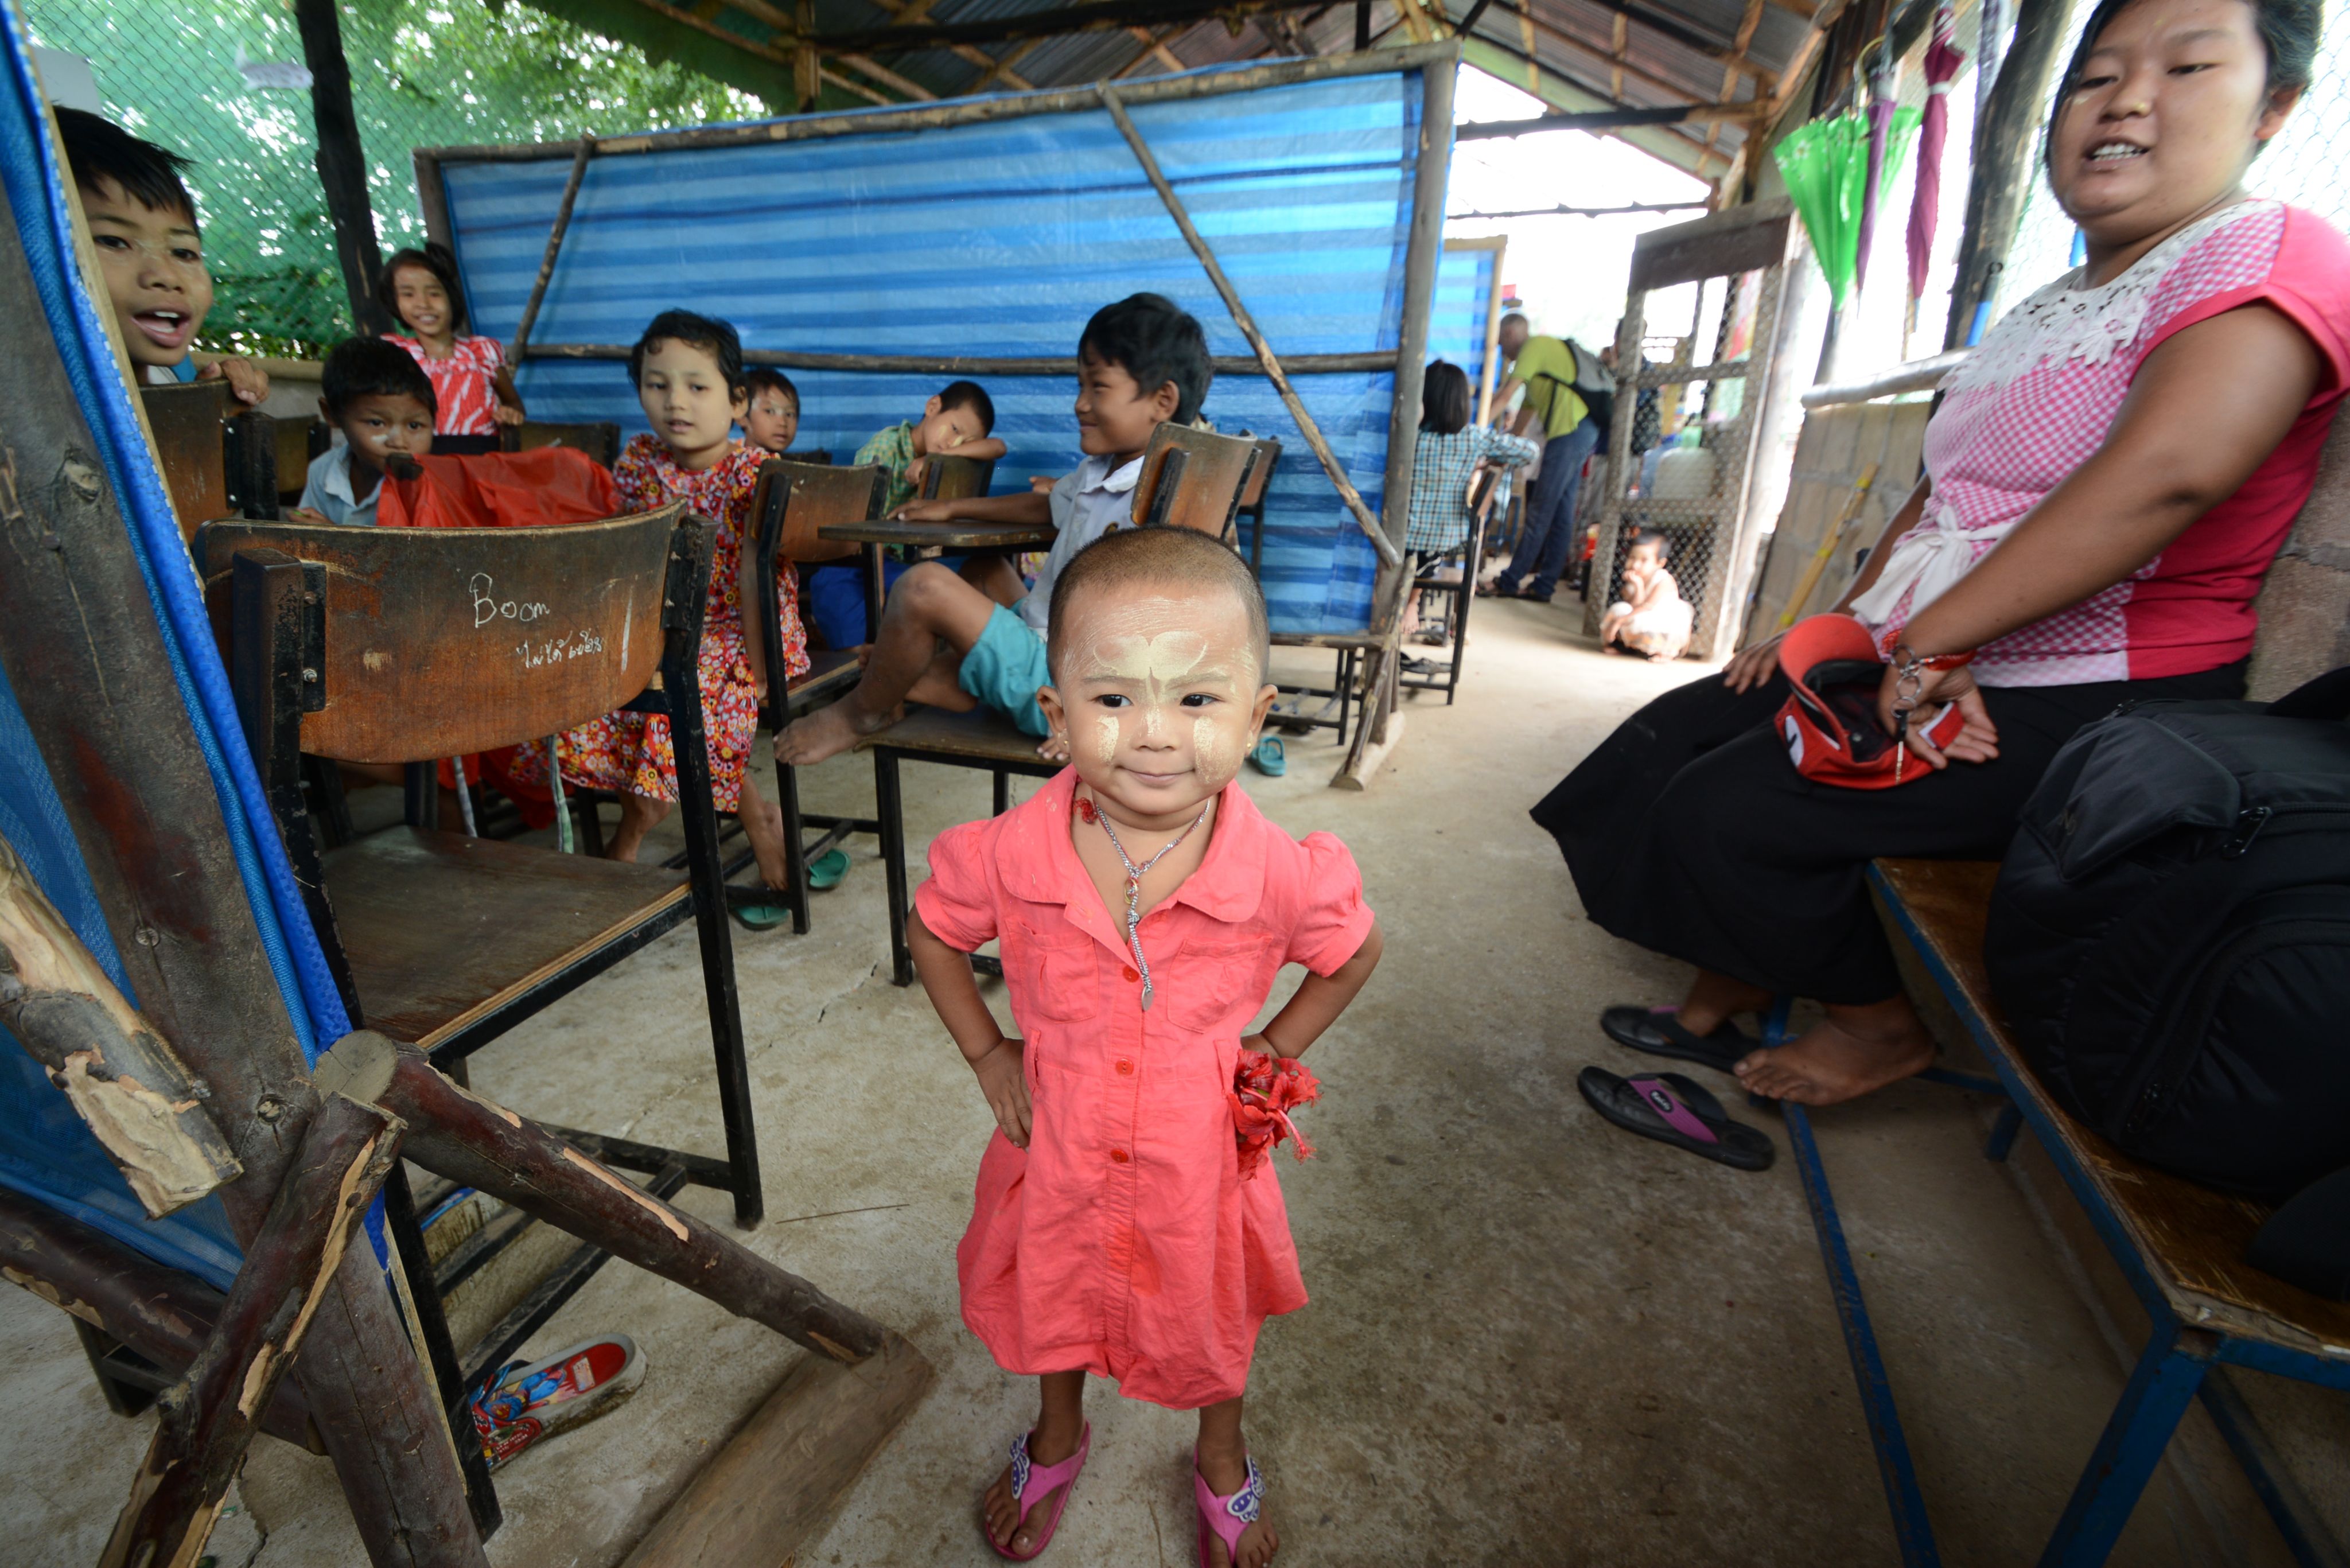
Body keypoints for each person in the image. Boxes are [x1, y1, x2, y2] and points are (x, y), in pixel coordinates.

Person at [1536, 0, 2347, 1108]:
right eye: (2094, 76)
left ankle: (1876, 1026)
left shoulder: (2270, 250)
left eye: (2187, 67)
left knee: (1730, 808)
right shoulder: (2047, 303)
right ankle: (1732, 977)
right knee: (1666, 742)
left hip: (2091, 694)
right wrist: (1835, 630)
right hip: (1939, 648)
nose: (2125, 100)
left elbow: (2170, 472)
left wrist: (1930, 644)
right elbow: (1936, 496)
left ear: (2275, 107)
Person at [907, 526, 1383, 1566]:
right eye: (1115, 697)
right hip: (1060, 1146)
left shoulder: (1280, 872)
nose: (1156, 734)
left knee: (1214, 1310)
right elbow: (934, 932)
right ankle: (1058, 1430)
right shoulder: (1008, 853)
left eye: (1198, 697)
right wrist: (990, 1053)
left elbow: (1352, 951)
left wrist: (1272, 1045)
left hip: (1201, 1162)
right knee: (1057, 1285)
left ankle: (1220, 1448)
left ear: (1257, 714)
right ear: (1055, 714)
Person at [776, 293, 1213, 767]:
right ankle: (932, 675)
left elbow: (1158, 633)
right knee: (984, 569)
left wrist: (1100, 721)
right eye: (1080, 385)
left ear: (1162, 401)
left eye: (1099, 388)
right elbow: (1046, 505)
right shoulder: (1105, 467)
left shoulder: (1157, 499)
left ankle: (860, 711)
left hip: (1068, 690)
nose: (1080, 403)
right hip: (1051, 641)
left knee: (923, 587)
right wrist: (949, 510)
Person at [519, 311, 810, 911]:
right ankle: (654, 804)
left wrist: (760, 670)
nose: (675, 401)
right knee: (588, 671)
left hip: (744, 630)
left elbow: (756, 582)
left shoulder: (753, 473)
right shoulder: (640, 461)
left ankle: (682, 820)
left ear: (737, 403)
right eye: (658, 385)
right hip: (664, 623)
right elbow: (625, 556)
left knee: (684, 684)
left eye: (696, 386)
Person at [55, 108, 266, 403]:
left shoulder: (175, 375)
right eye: (113, 242)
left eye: (183, 252)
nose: (167, 277)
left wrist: (206, 406)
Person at [800, 379, 1014, 648]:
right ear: (933, 407)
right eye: (954, 429)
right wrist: (877, 600)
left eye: (964, 442)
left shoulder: (942, 460)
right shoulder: (885, 449)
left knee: (933, 607)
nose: (952, 443)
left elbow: (998, 447)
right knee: (857, 644)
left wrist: (938, 458)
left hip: (894, 566)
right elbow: (868, 531)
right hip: (850, 564)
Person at [1401, 360, 1538, 644]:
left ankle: (1404, 600)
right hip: (1443, 538)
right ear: (1462, 402)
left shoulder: (1408, 436)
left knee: (1406, 548)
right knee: (1431, 549)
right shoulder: (1472, 438)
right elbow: (1530, 452)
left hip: (1398, 538)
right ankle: (1413, 602)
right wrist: (1486, 460)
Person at [1481, 315, 1605, 603]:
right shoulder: (1539, 371)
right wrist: (1498, 452)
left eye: (1500, 342)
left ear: (1510, 334)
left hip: (1571, 430)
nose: (1501, 351)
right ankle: (1544, 586)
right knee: (1561, 513)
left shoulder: (1533, 348)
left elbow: (1504, 397)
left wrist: (1471, 432)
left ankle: (1510, 580)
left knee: (1540, 509)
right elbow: (1521, 421)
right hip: (1579, 431)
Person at [377, 244, 526, 437]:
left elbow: (514, 404)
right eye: (408, 294)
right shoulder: (395, 356)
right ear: (395, 302)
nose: (423, 304)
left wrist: (510, 415)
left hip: (483, 453)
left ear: (451, 297)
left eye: (434, 294)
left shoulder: (483, 352)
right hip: (421, 455)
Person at [289, 338, 436, 528]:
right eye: (377, 423)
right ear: (331, 414)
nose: (399, 442)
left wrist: (334, 536)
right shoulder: (323, 470)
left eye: (414, 426)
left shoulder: (428, 488)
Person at [1597, 530, 1693, 660]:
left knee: (1632, 619)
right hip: (1643, 620)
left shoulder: (1663, 580)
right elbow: (1634, 607)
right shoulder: (1635, 580)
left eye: (1644, 560)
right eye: (1632, 558)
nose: (1635, 565)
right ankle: (1623, 646)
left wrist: (1619, 621)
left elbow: (1646, 607)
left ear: (1660, 563)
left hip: (1662, 622)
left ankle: (1664, 653)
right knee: (1620, 609)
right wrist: (1638, 586)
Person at [741, 367, 800, 455]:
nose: (783, 423)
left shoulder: (802, 463)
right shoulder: (725, 460)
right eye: (770, 411)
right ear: (742, 416)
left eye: (789, 414)